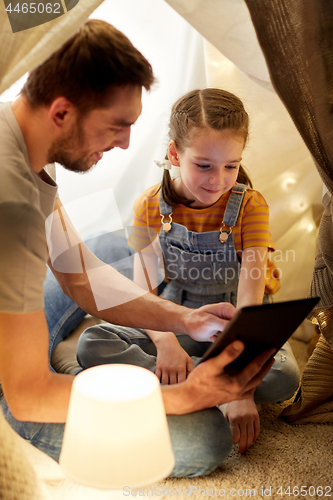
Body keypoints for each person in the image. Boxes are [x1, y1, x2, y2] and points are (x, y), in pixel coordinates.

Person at [0, 19, 275, 477]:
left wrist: (185, 318)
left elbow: (78, 274)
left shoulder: (23, 137)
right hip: (18, 389)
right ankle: (70, 382)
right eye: (117, 125)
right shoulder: (12, 206)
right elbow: (28, 393)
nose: (127, 141)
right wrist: (186, 396)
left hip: (15, 312)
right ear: (62, 112)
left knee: (111, 244)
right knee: (205, 442)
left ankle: (79, 365)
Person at [77, 88, 300, 454]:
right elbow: (143, 291)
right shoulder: (149, 205)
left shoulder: (251, 206)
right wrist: (165, 344)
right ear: (175, 153)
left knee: (284, 378)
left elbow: (250, 297)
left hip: (236, 325)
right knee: (93, 344)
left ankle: (193, 386)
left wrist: (241, 385)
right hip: (175, 316)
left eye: (231, 165)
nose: (219, 180)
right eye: (204, 165)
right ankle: (204, 386)